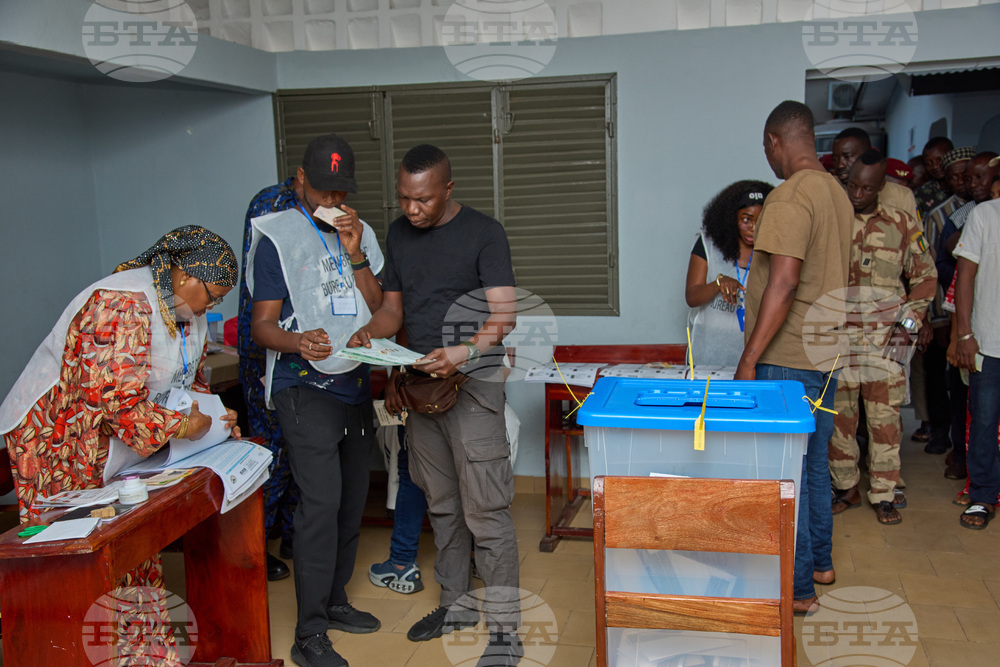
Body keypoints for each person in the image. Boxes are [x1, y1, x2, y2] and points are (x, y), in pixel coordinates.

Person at [0, 225, 240, 665]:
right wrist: (185, 426)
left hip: (119, 442)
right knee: (76, 557)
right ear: (186, 277)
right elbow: (114, 404)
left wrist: (215, 415)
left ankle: (140, 653)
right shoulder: (121, 303)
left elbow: (187, 378)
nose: (215, 305)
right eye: (214, 295)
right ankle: (78, 654)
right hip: (61, 441)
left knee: (131, 545)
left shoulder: (186, 309)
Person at [348, 144, 522, 666]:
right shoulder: (400, 233)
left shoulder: (484, 233)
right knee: (443, 508)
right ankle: (455, 606)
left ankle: (507, 631)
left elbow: (504, 316)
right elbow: (390, 310)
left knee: (486, 513)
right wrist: (367, 337)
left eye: (422, 199)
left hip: (472, 387)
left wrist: (464, 352)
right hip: (422, 390)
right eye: (403, 198)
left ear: (448, 189)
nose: (411, 209)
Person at [247, 134, 384, 667]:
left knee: (352, 500)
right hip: (303, 388)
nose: (331, 201)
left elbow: (376, 304)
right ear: (299, 179)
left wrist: (355, 253)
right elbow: (261, 327)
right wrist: (298, 340)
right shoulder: (277, 239)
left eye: (340, 192)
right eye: (322, 190)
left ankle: (334, 601)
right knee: (320, 505)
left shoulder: (360, 232)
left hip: (352, 381)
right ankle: (308, 635)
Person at [735, 100, 853, 614]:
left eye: (767, 148)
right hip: (825, 355)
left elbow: (782, 284)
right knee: (813, 470)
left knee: (788, 476)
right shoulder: (836, 193)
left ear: (774, 141)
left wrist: (749, 357)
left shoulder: (789, 195)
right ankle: (821, 563)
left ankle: (799, 589)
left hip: (786, 359)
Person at [828, 151, 936, 525]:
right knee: (840, 418)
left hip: (886, 340)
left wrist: (908, 329)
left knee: (885, 420)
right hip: (837, 339)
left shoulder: (902, 224)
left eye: (867, 188)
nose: (858, 193)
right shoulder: (831, 220)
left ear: (882, 187)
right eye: (852, 185)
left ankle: (885, 493)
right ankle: (846, 488)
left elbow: (925, 278)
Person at [238, 163, 303, 582]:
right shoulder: (273, 203)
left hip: (298, 351)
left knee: (299, 451)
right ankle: (255, 548)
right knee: (272, 455)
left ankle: (293, 534)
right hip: (266, 351)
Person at [920, 146, 975, 461]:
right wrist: (937, 317)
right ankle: (943, 434)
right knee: (941, 376)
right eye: (956, 177)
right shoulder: (945, 215)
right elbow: (931, 266)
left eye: (966, 176)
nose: (962, 183)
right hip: (945, 310)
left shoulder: (982, 209)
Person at [685, 180, 773, 367]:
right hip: (708, 353)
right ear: (731, 218)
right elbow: (692, 297)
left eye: (761, 221)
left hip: (756, 356)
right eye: (746, 219)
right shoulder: (708, 245)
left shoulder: (774, 252)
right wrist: (718, 283)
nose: (753, 228)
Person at [952, 192, 1000, 529]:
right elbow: (965, 275)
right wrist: (964, 335)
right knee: (983, 422)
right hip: (988, 341)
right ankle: (983, 496)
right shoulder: (985, 214)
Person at [830, 128, 919, 219]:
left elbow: (914, 231)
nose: (840, 165)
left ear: (867, 154)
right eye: (835, 159)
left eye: (847, 157)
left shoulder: (901, 196)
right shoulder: (829, 192)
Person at [914, 137, 956, 217]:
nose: (935, 166)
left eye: (939, 160)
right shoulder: (920, 195)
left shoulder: (967, 188)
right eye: (929, 163)